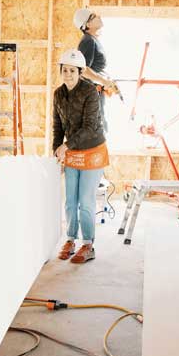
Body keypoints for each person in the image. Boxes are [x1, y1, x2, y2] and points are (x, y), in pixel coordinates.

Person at [53, 49, 109, 264]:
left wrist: (66, 146)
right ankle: (70, 239)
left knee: (85, 201)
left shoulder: (90, 92)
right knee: (70, 201)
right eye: (64, 70)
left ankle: (88, 244)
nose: (68, 74)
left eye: (72, 71)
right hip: (71, 152)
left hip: (92, 150)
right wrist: (56, 150)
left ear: (80, 72)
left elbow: (89, 126)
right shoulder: (59, 94)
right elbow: (57, 126)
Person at [73, 8, 119, 134]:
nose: (99, 16)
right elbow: (83, 70)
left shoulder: (92, 40)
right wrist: (103, 81)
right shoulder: (88, 41)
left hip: (96, 92)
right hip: (92, 93)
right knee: (98, 129)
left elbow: (94, 69)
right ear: (87, 24)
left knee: (100, 126)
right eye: (94, 16)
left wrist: (106, 80)